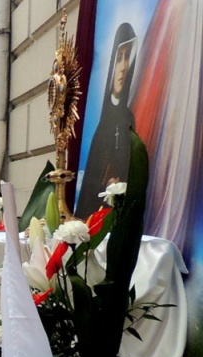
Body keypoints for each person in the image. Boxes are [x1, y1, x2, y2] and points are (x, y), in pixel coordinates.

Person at [76, 22, 138, 218]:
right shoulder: (101, 120)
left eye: (127, 57)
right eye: (119, 58)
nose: (123, 67)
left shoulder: (128, 118)